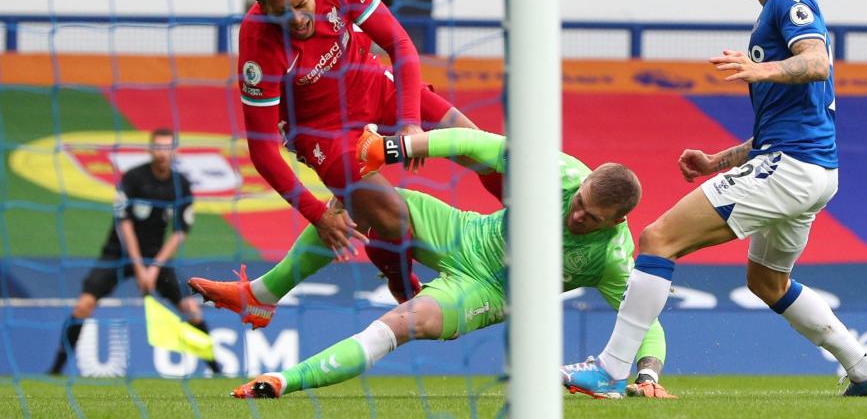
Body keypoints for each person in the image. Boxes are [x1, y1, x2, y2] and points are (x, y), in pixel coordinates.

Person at [561, 0, 867, 397]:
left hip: (791, 170)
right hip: (812, 169)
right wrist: (718, 162)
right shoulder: (773, 15)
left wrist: (762, 71)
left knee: (658, 239)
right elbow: (785, 126)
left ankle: (610, 370)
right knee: (767, 282)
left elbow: (817, 61)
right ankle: (865, 369)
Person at [216, 126, 673, 399]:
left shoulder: (614, 256)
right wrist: (394, 148)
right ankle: (261, 296)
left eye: (590, 217)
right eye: (580, 202)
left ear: (618, 221)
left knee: (400, 323)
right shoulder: (564, 174)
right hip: (464, 231)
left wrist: (648, 372)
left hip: (488, 291)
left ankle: (281, 381)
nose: (576, 214)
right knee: (359, 199)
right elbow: (478, 144)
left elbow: (643, 319)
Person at [238, 0, 501, 301]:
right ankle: (396, 274)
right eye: (281, 12)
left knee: (477, 144)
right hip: (322, 133)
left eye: (301, 3)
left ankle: (526, 235)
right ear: (262, 6)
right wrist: (318, 215)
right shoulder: (257, 44)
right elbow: (262, 150)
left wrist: (409, 124)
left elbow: (400, 44)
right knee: (394, 217)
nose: (297, 19)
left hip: (373, 84)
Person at [49, 128, 221, 375]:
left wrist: (154, 268)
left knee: (190, 308)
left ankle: (216, 369)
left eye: (167, 147)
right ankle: (55, 370)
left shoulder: (180, 184)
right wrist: (140, 267)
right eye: (158, 147)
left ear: (175, 151)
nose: (162, 153)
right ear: (150, 150)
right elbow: (124, 223)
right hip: (117, 255)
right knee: (83, 305)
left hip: (156, 260)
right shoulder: (133, 178)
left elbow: (180, 232)